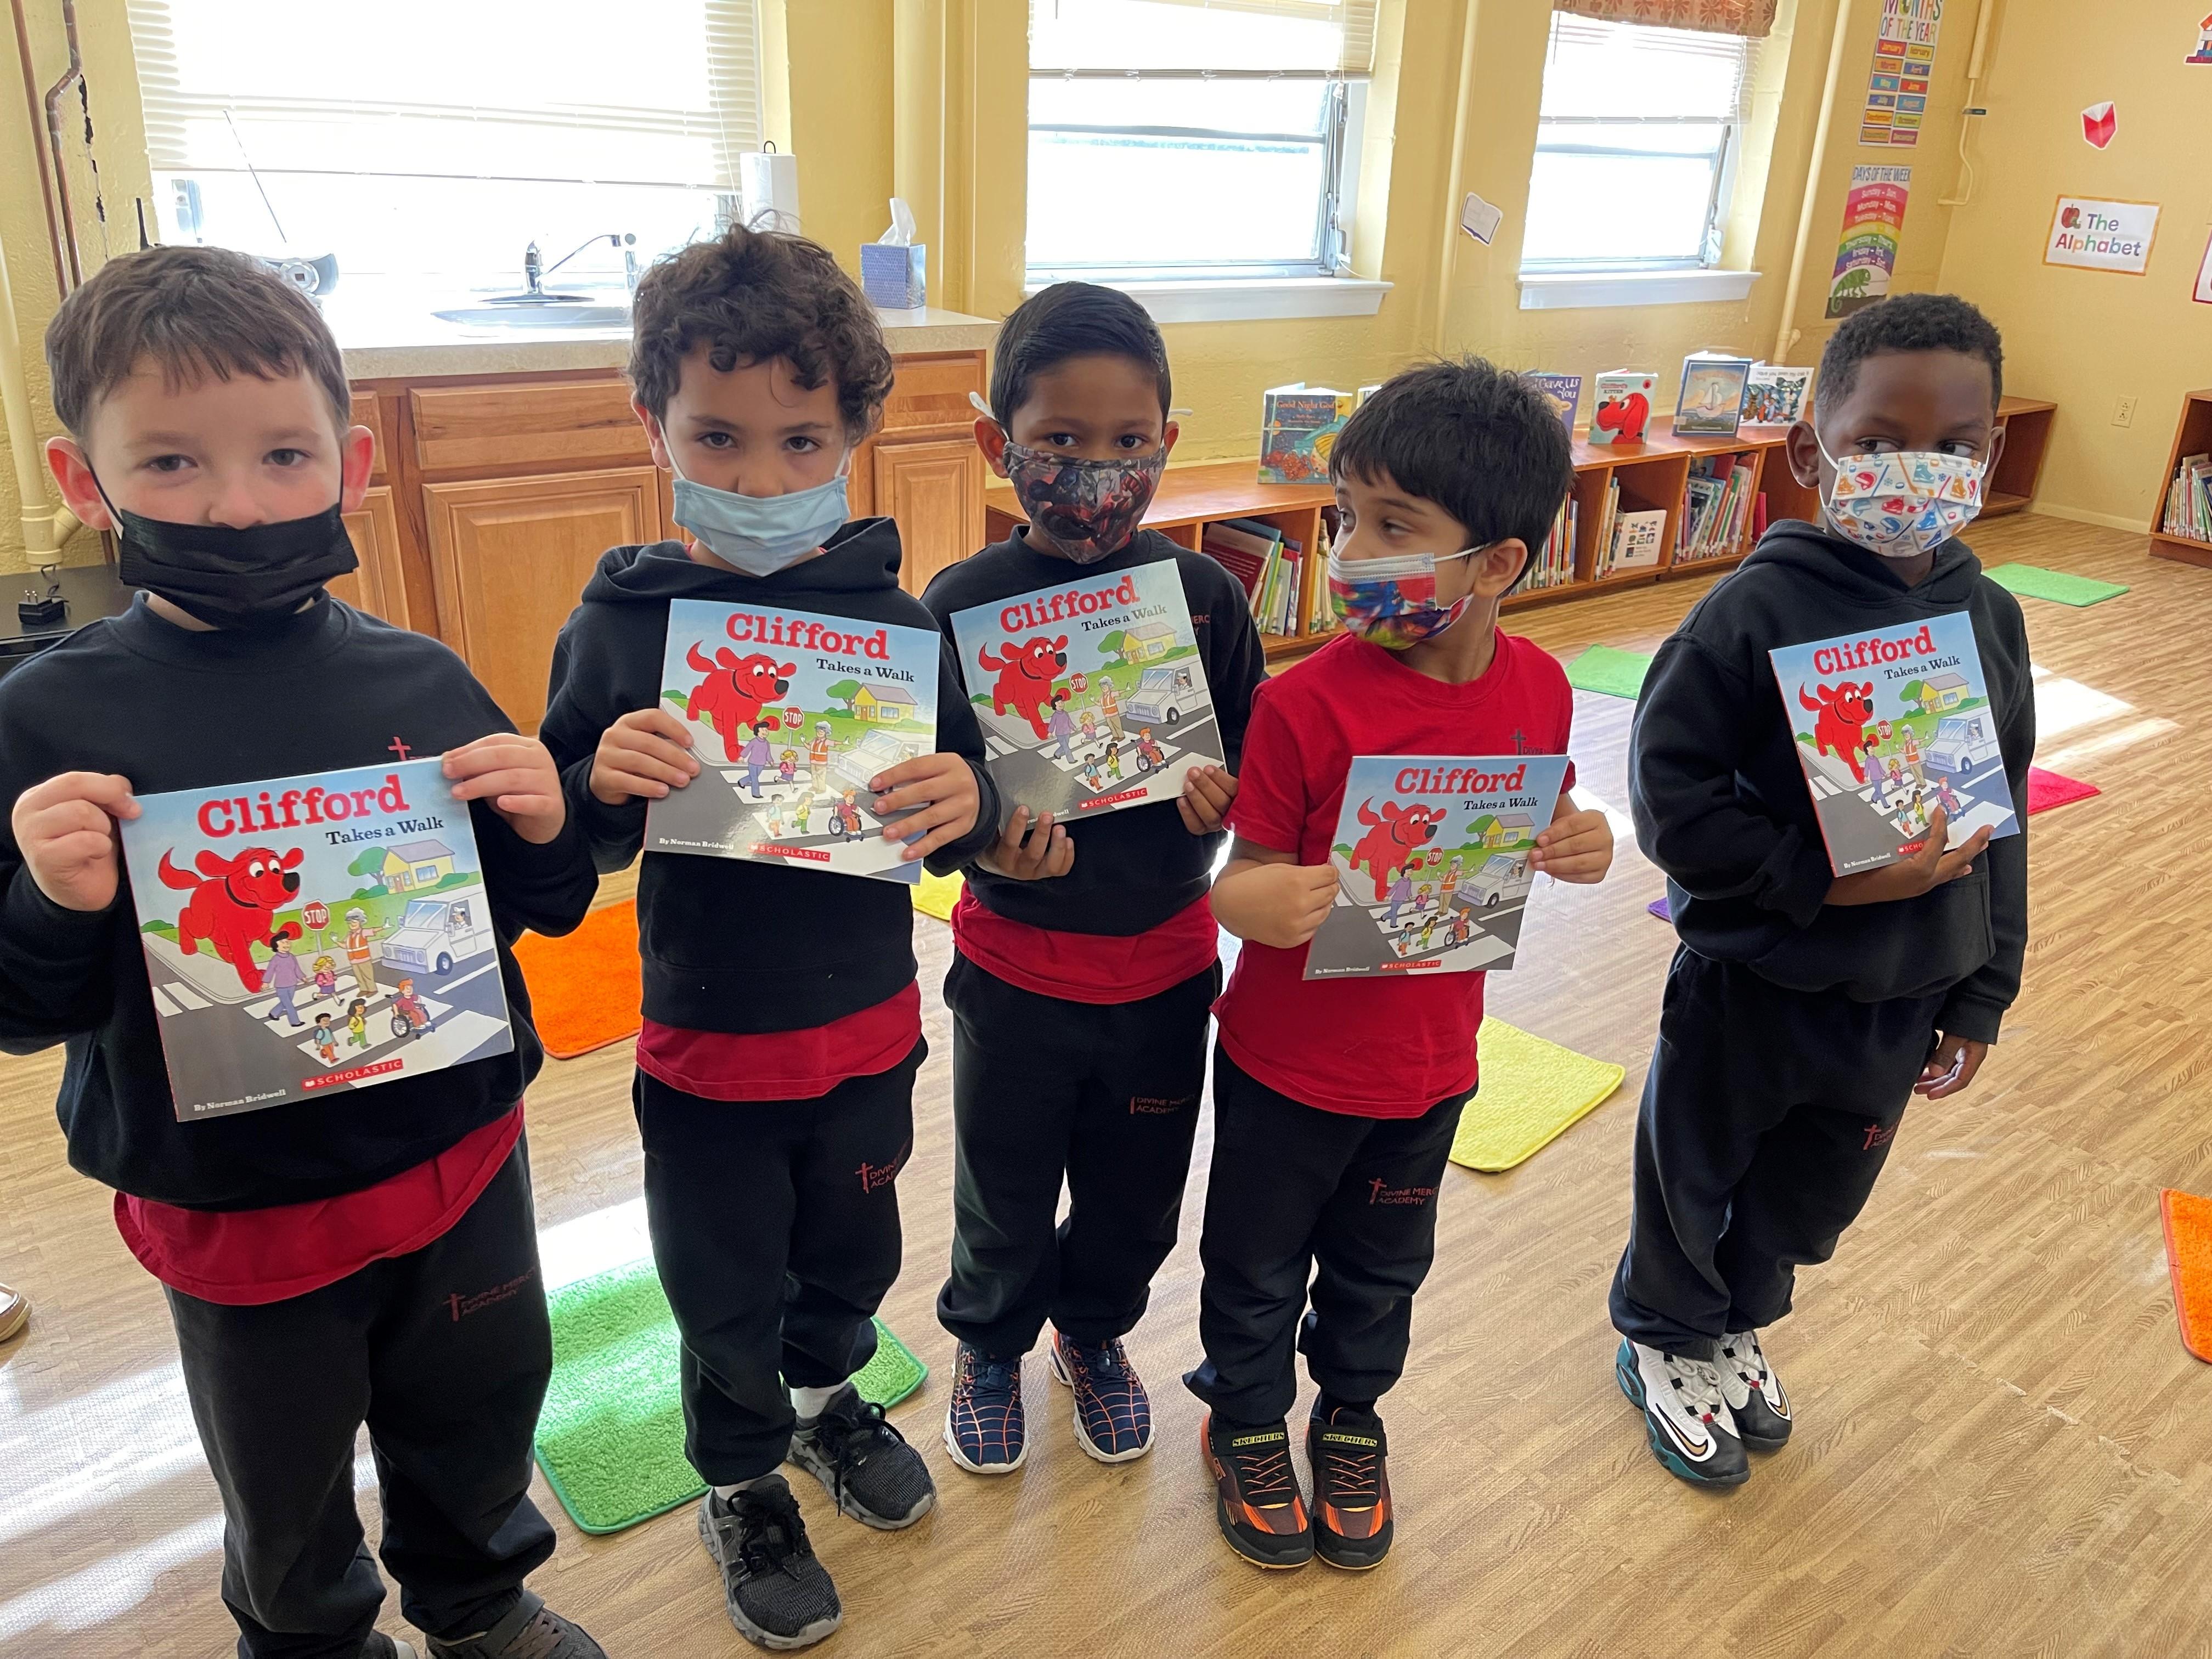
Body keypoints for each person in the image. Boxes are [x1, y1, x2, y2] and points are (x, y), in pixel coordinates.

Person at [0, 244, 604, 1659]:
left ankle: (480, 1600)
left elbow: (539, 911)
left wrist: (540, 821)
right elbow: (23, 1012)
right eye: (168, 466)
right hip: (237, 1204)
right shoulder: (44, 721)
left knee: (478, 1409)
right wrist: (48, 898)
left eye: (284, 455)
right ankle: (308, 1640)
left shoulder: (420, 679)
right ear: (81, 481)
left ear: (356, 460)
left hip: (456, 1157)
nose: (236, 505)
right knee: (281, 1483)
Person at [538, 223, 999, 1652]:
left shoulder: (897, 620)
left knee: (849, 1261)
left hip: (866, 1025)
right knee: (720, 1284)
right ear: (654, 426)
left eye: (801, 440)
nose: (758, 479)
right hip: (705, 1043)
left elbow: (970, 800)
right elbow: (561, 846)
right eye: (719, 439)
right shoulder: (622, 625)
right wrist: (594, 785)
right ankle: (739, 1479)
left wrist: (964, 797)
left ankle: (824, 1400)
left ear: (856, 431)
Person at [1197, 358, 1613, 1570]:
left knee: (1385, 1269)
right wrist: (1255, 902)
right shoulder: (1304, 703)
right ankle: (1248, 1417)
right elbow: (1237, 878)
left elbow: (1543, 820)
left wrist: (1578, 844)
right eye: (1343, 519)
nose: (1347, 550)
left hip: (1432, 1068)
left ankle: (1351, 1415)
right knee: (1257, 1262)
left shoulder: (1539, 687)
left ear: (1498, 566)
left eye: (1392, 528)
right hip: (1285, 1061)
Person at [1610, 294, 2031, 1489]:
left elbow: (2000, 818)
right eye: (1879, 441)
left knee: (1811, 1194)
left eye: (1954, 447)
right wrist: (1825, 884)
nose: (1919, 471)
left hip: (1906, 994)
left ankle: (1737, 1322)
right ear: (1813, 449)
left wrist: (1985, 989)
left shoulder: (1988, 618)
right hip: (1757, 981)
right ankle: (1662, 1340)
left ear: (1990, 452)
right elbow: (1674, 804)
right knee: (1693, 1172)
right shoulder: (1747, 616)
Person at [920, 282, 1266, 1478]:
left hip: (1166, 967)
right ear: (999, 443)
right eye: (1060, 443)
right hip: (1015, 970)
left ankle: (1096, 1333)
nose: (1096, 471)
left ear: (1167, 444)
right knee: (1001, 1193)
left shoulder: (1209, 598)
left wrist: (1235, 806)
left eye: (1128, 444)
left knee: (1135, 1200)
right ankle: (990, 1344)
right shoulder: (958, 605)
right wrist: (983, 838)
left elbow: (1256, 762)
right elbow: (935, 790)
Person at [260, 933, 306, 1026]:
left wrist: (302, 977)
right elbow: (270, 971)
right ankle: (295, 1022)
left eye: (287, 942)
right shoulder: (275, 959)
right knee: (289, 1005)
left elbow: (296, 968)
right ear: (276, 946)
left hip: (292, 984)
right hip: (281, 986)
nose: (286, 944)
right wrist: (266, 982)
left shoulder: (292, 957)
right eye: (282, 942)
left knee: (286, 1003)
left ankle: (274, 1013)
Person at [343, 906, 380, 998]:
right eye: (350, 923)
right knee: (359, 976)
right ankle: (363, 989)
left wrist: (383, 927)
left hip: (364, 959)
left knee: (368, 975)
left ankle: (372, 989)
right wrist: (336, 941)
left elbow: (373, 930)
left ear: (360, 923)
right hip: (353, 960)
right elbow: (345, 946)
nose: (352, 924)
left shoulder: (363, 932)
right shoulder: (349, 935)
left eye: (354, 922)